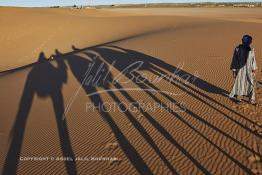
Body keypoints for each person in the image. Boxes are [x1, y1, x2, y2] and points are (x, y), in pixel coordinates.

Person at [229, 34, 258, 105]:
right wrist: (234, 70)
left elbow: (252, 60)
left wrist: (254, 68)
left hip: (249, 70)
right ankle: (239, 98)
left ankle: (251, 99)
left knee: (251, 83)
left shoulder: (251, 50)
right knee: (239, 84)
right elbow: (235, 59)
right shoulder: (237, 49)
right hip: (240, 70)